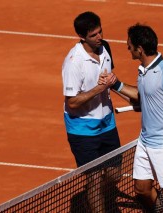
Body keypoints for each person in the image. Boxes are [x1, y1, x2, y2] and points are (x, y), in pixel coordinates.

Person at [100, 23, 163, 212]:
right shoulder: (143, 71)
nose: (128, 48)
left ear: (139, 50)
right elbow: (142, 97)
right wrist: (114, 84)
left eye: (129, 46)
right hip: (145, 141)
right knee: (141, 190)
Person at [61, 11, 121, 212]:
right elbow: (73, 103)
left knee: (115, 174)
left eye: (100, 31)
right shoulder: (73, 62)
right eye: (94, 35)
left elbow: (109, 78)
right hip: (82, 129)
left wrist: (114, 84)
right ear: (82, 37)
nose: (99, 37)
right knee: (94, 179)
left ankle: (94, 198)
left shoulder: (105, 49)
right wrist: (99, 88)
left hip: (107, 123)